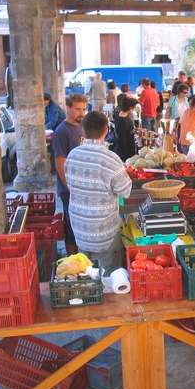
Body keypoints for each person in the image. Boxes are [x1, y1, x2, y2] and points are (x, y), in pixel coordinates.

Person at [65, 111, 132, 272]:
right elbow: (126, 191)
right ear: (106, 130)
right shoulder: (111, 159)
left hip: (80, 230)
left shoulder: (72, 156)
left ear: (83, 130)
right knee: (109, 278)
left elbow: (70, 185)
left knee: (87, 275)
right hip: (104, 232)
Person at [52, 94, 87, 255]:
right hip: (69, 189)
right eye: (78, 109)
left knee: (80, 224)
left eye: (84, 109)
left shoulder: (81, 127)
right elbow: (60, 163)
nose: (82, 113)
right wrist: (70, 188)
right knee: (71, 225)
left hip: (81, 187)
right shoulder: (62, 131)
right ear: (69, 108)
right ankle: (71, 258)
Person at [114, 96, 138, 161]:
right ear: (130, 107)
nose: (135, 108)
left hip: (127, 146)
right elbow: (122, 140)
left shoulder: (124, 114)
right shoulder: (123, 120)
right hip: (125, 151)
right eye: (134, 107)